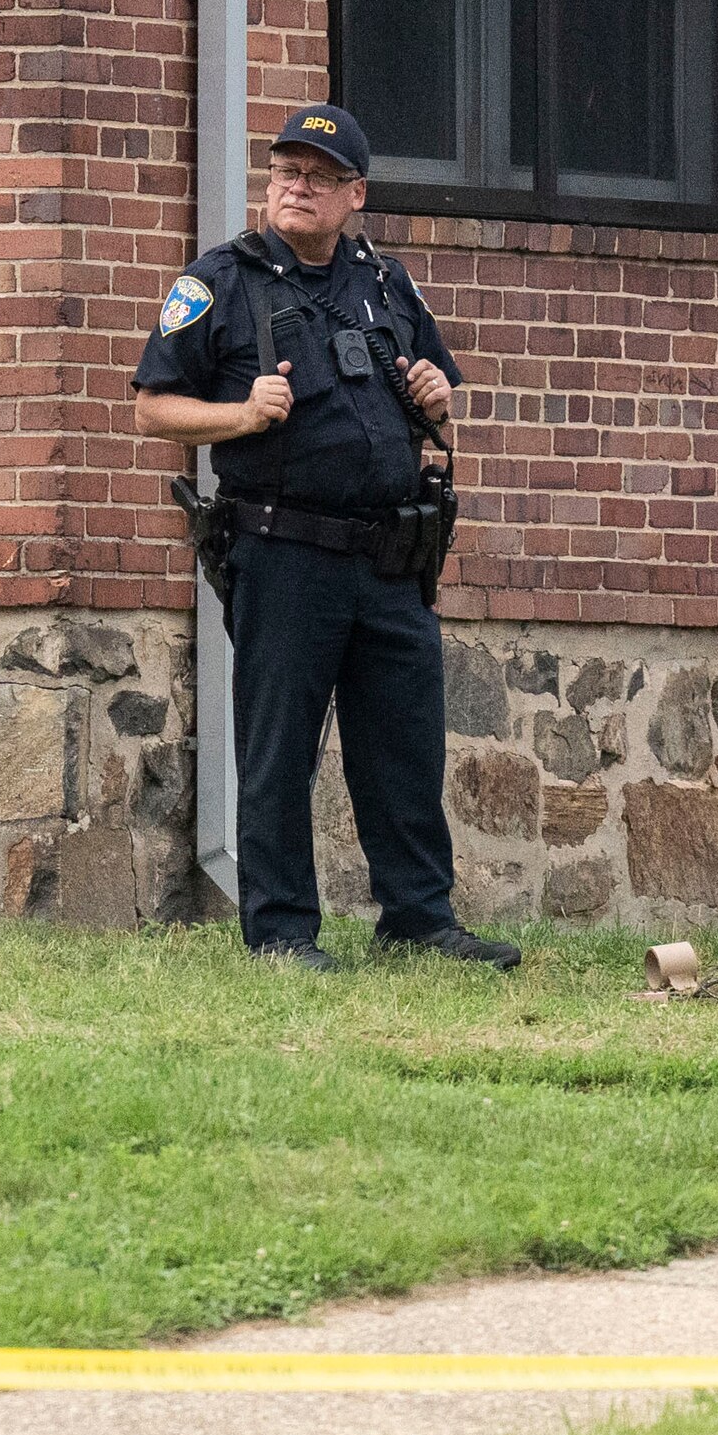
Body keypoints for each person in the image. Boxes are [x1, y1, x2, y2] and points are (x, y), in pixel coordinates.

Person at [132, 102, 522, 973]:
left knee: (404, 747)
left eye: (316, 176)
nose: (295, 188)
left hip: (390, 557)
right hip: (283, 551)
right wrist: (241, 415)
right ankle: (281, 934)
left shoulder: (386, 285)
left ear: (356, 196)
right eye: (284, 172)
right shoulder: (220, 282)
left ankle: (418, 922)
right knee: (279, 750)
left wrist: (437, 405)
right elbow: (152, 404)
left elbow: (439, 418)